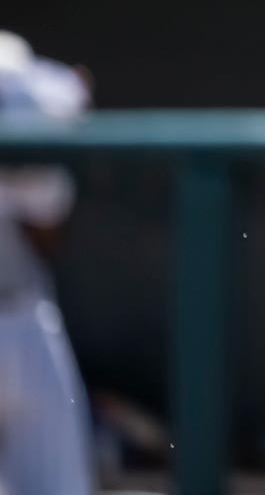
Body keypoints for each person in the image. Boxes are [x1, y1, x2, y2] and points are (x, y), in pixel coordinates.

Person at [0, 31, 96, 495]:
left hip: (25, 313)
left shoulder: (29, 105)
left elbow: (47, 227)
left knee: (59, 485)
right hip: (19, 320)